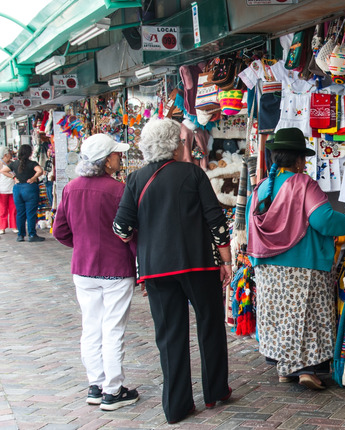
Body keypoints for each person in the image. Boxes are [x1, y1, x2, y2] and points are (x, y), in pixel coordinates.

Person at [113, 118, 231, 425]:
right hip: (198, 264)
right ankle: (215, 390)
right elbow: (216, 221)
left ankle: (176, 406)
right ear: (175, 144)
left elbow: (122, 227)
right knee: (210, 326)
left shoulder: (135, 178)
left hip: (156, 269)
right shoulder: (193, 173)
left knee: (170, 336)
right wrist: (226, 259)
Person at [246, 127, 345, 390]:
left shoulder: (260, 188)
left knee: (281, 317)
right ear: (298, 160)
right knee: (304, 317)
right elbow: (323, 220)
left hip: (267, 267)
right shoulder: (303, 184)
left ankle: (285, 368)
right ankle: (305, 369)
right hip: (303, 264)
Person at [52, 134, 139, 411]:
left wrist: (81, 246)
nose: (120, 158)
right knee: (112, 329)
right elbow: (131, 231)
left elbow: (60, 231)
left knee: (91, 328)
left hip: (84, 268)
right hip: (116, 268)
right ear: (106, 161)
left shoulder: (71, 189)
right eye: (116, 154)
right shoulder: (119, 190)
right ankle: (112, 391)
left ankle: (96, 385)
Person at [0, 144, 44, 242]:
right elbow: (40, 171)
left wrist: (14, 178)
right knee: (31, 213)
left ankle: (20, 235)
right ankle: (32, 234)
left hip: (18, 189)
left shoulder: (14, 164)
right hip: (30, 189)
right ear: (30, 153)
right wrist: (33, 178)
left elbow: (3, 171)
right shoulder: (32, 163)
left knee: (20, 213)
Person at [0, 146, 17, 234]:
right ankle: (2, 227)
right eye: (10, 154)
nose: (11, 155)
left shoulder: (12, 163)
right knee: (3, 209)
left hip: (12, 189)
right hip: (2, 190)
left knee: (13, 209)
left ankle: (14, 226)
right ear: (5, 155)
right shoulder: (0, 164)